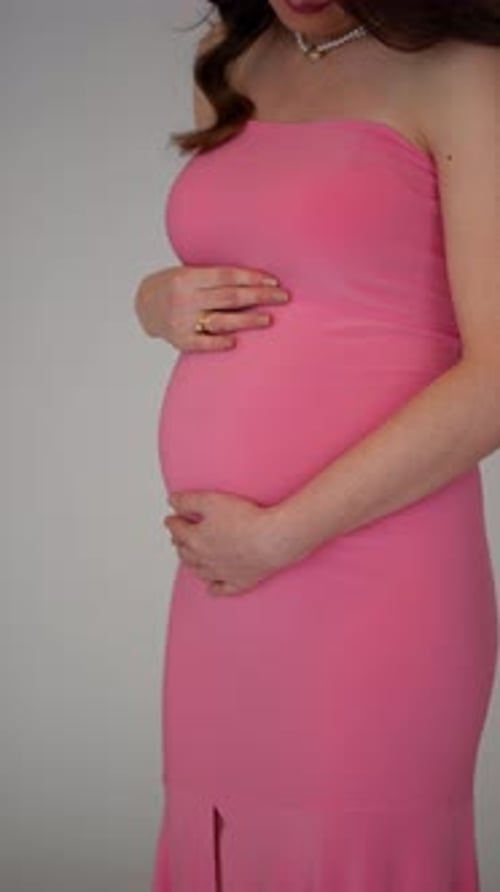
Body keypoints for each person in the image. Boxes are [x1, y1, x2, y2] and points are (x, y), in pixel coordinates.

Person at [134, 2, 500, 889]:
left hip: (376, 574)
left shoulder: (467, 72)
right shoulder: (235, 58)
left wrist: (284, 533)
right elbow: (254, 260)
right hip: (224, 581)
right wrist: (155, 300)